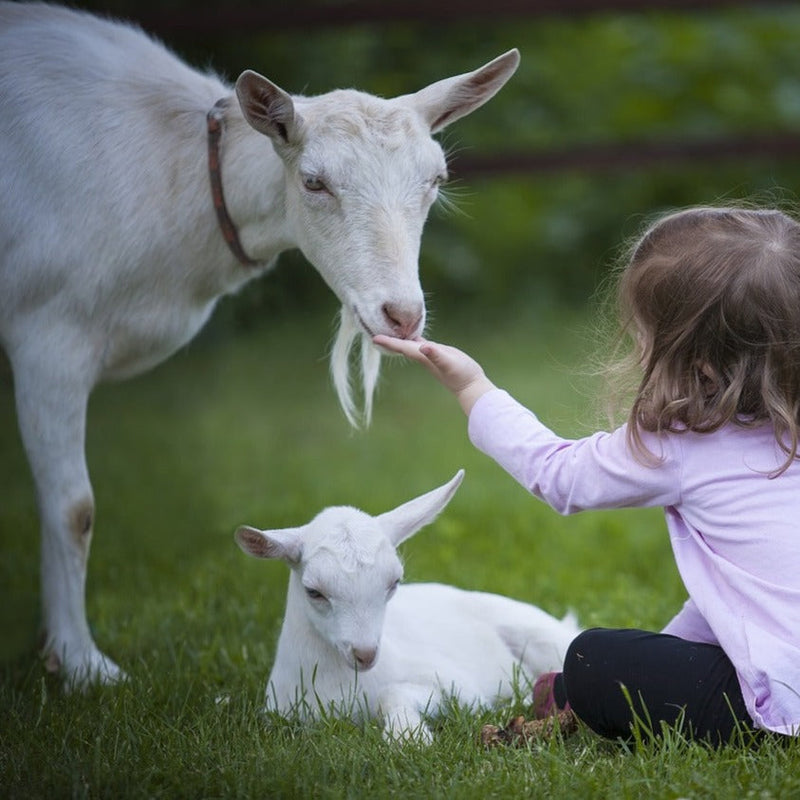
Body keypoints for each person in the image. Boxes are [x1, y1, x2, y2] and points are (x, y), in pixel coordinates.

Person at [374, 206, 800, 745]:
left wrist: (471, 387)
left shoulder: (683, 441)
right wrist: (662, 652)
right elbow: (735, 595)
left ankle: (583, 696)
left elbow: (557, 474)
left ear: (702, 368)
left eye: (645, 338)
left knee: (592, 659)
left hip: (773, 704)